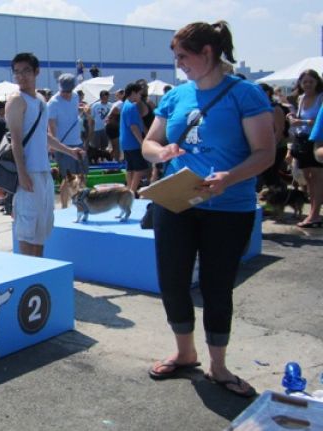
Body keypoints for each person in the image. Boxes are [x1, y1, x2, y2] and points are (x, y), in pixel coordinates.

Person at [142, 21, 274, 398]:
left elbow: (265, 153)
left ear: (207, 53)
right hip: (176, 200)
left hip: (228, 205)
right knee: (172, 279)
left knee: (217, 286)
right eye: (176, 57)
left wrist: (229, 177)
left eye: (183, 56)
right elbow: (151, 142)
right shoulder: (176, 96)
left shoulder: (245, 94)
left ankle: (218, 366)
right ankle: (185, 353)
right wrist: (161, 152)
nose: (178, 63)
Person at [7, 53, 83, 257]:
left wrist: (69, 151)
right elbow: (15, 140)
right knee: (26, 228)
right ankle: (26, 274)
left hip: (44, 171)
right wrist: (22, 174)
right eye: (17, 72)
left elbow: (44, 136)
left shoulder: (40, 99)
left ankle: (38, 271)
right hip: (28, 173)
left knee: (42, 227)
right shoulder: (16, 100)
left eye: (26, 71)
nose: (21, 76)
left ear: (36, 72)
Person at [285, 69, 323, 228]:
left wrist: (302, 122)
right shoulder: (300, 98)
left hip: (316, 141)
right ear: (300, 83)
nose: (307, 84)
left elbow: (319, 122)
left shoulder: (320, 98)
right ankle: (312, 213)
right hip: (301, 140)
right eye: (305, 81)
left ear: (317, 82)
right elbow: (299, 120)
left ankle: (315, 215)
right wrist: (292, 118)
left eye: (311, 81)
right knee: (307, 179)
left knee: (317, 178)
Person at [48, 73, 87, 207]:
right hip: (63, 145)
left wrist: (83, 109)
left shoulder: (75, 97)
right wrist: (53, 144)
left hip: (78, 142)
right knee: (67, 177)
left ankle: (81, 202)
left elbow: (74, 111)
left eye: (69, 91)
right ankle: (64, 206)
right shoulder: (53, 102)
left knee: (82, 175)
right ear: (59, 88)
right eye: (64, 91)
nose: (67, 94)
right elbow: (51, 124)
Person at [120, 82, 149, 193]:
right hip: (133, 143)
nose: (140, 96)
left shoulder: (125, 104)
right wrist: (142, 142)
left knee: (130, 168)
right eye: (139, 94)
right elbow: (133, 127)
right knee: (140, 168)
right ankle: (132, 191)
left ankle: (129, 190)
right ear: (133, 93)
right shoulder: (131, 107)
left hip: (126, 142)